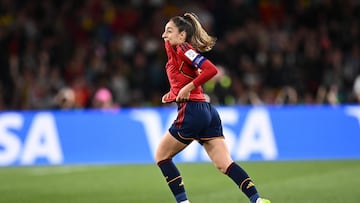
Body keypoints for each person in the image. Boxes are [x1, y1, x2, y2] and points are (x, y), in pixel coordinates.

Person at [155, 12, 271, 203]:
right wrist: (174, 94)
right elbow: (184, 76)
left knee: (161, 156)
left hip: (192, 112)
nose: (164, 35)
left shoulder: (184, 48)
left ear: (182, 35)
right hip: (207, 112)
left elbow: (211, 70)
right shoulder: (176, 53)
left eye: (168, 31)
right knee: (225, 164)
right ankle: (257, 200)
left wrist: (188, 87)